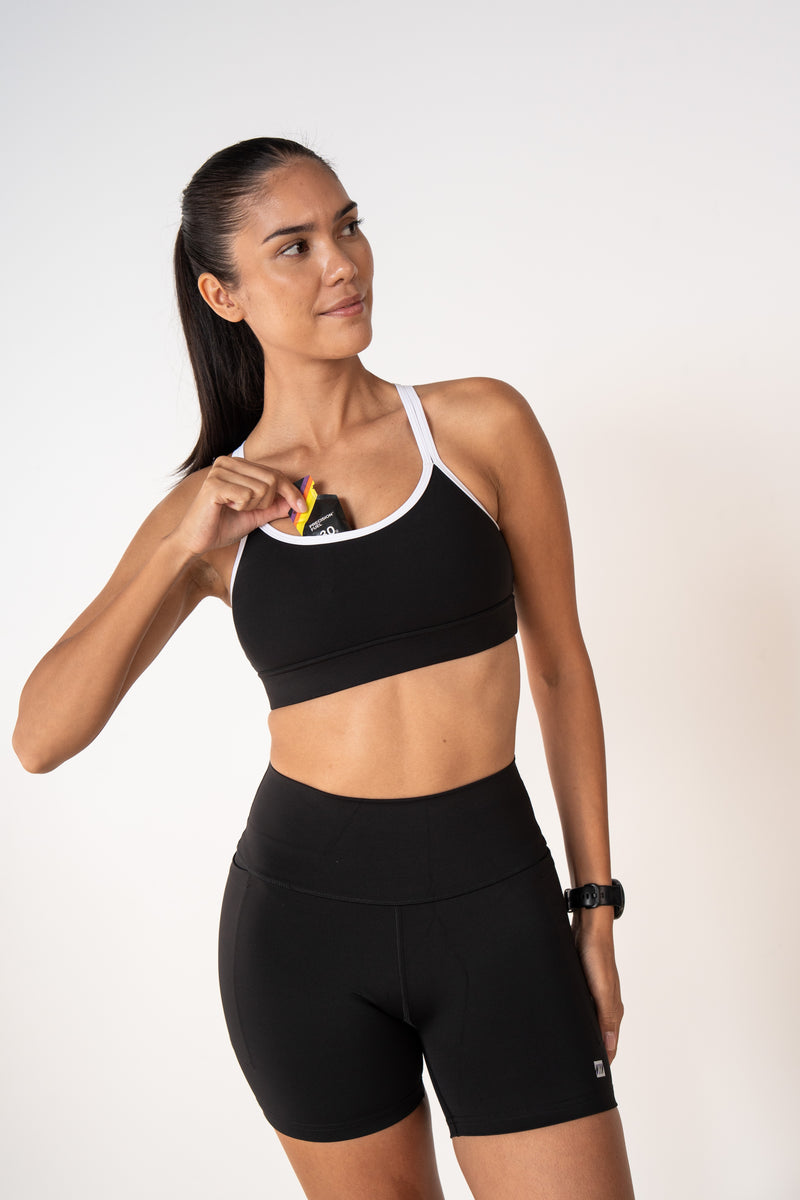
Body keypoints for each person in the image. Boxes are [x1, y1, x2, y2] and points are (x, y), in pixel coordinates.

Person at [13, 136, 635, 1200]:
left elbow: (561, 672)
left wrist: (595, 908)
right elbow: (39, 737)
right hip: (302, 932)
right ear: (223, 294)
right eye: (293, 247)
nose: (341, 263)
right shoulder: (214, 513)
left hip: (496, 905)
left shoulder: (478, 426)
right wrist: (179, 542)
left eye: (347, 226)